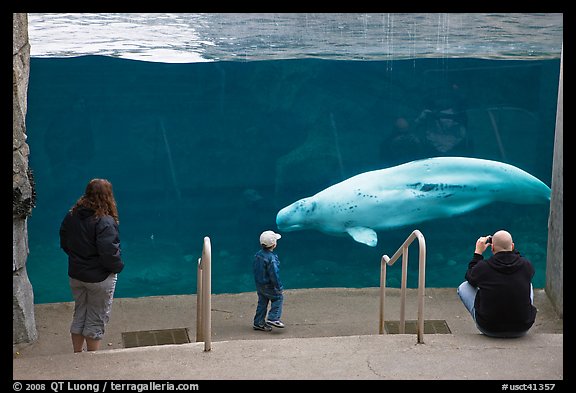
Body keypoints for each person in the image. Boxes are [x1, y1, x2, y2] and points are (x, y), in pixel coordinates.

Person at [59, 178, 124, 352]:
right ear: (108, 196)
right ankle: (90, 363)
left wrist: (78, 258)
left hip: (76, 275)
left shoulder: (71, 214)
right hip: (99, 278)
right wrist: (117, 267)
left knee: (80, 313)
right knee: (96, 318)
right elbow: (108, 253)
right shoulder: (105, 221)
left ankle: (77, 355)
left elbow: (65, 242)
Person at [457, 230, 537, 338]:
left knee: (464, 287)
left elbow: (470, 276)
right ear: (512, 246)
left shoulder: (483, 268)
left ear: (492, 248)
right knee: (528, 284)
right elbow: (517, 257)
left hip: (489, 328)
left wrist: (478, 253)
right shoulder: (526, 265)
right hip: (522, 327)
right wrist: (508, 247)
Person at [252, 230, 285, 331]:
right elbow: (274, 274)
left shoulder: (258, 255)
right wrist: (279, 287)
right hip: (269, 285)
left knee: (262, 302)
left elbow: (255, 268)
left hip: (260, 284)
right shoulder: (271, 259)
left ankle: (258, 322)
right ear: (274, 244)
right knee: (278, 298)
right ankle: (273, 318)